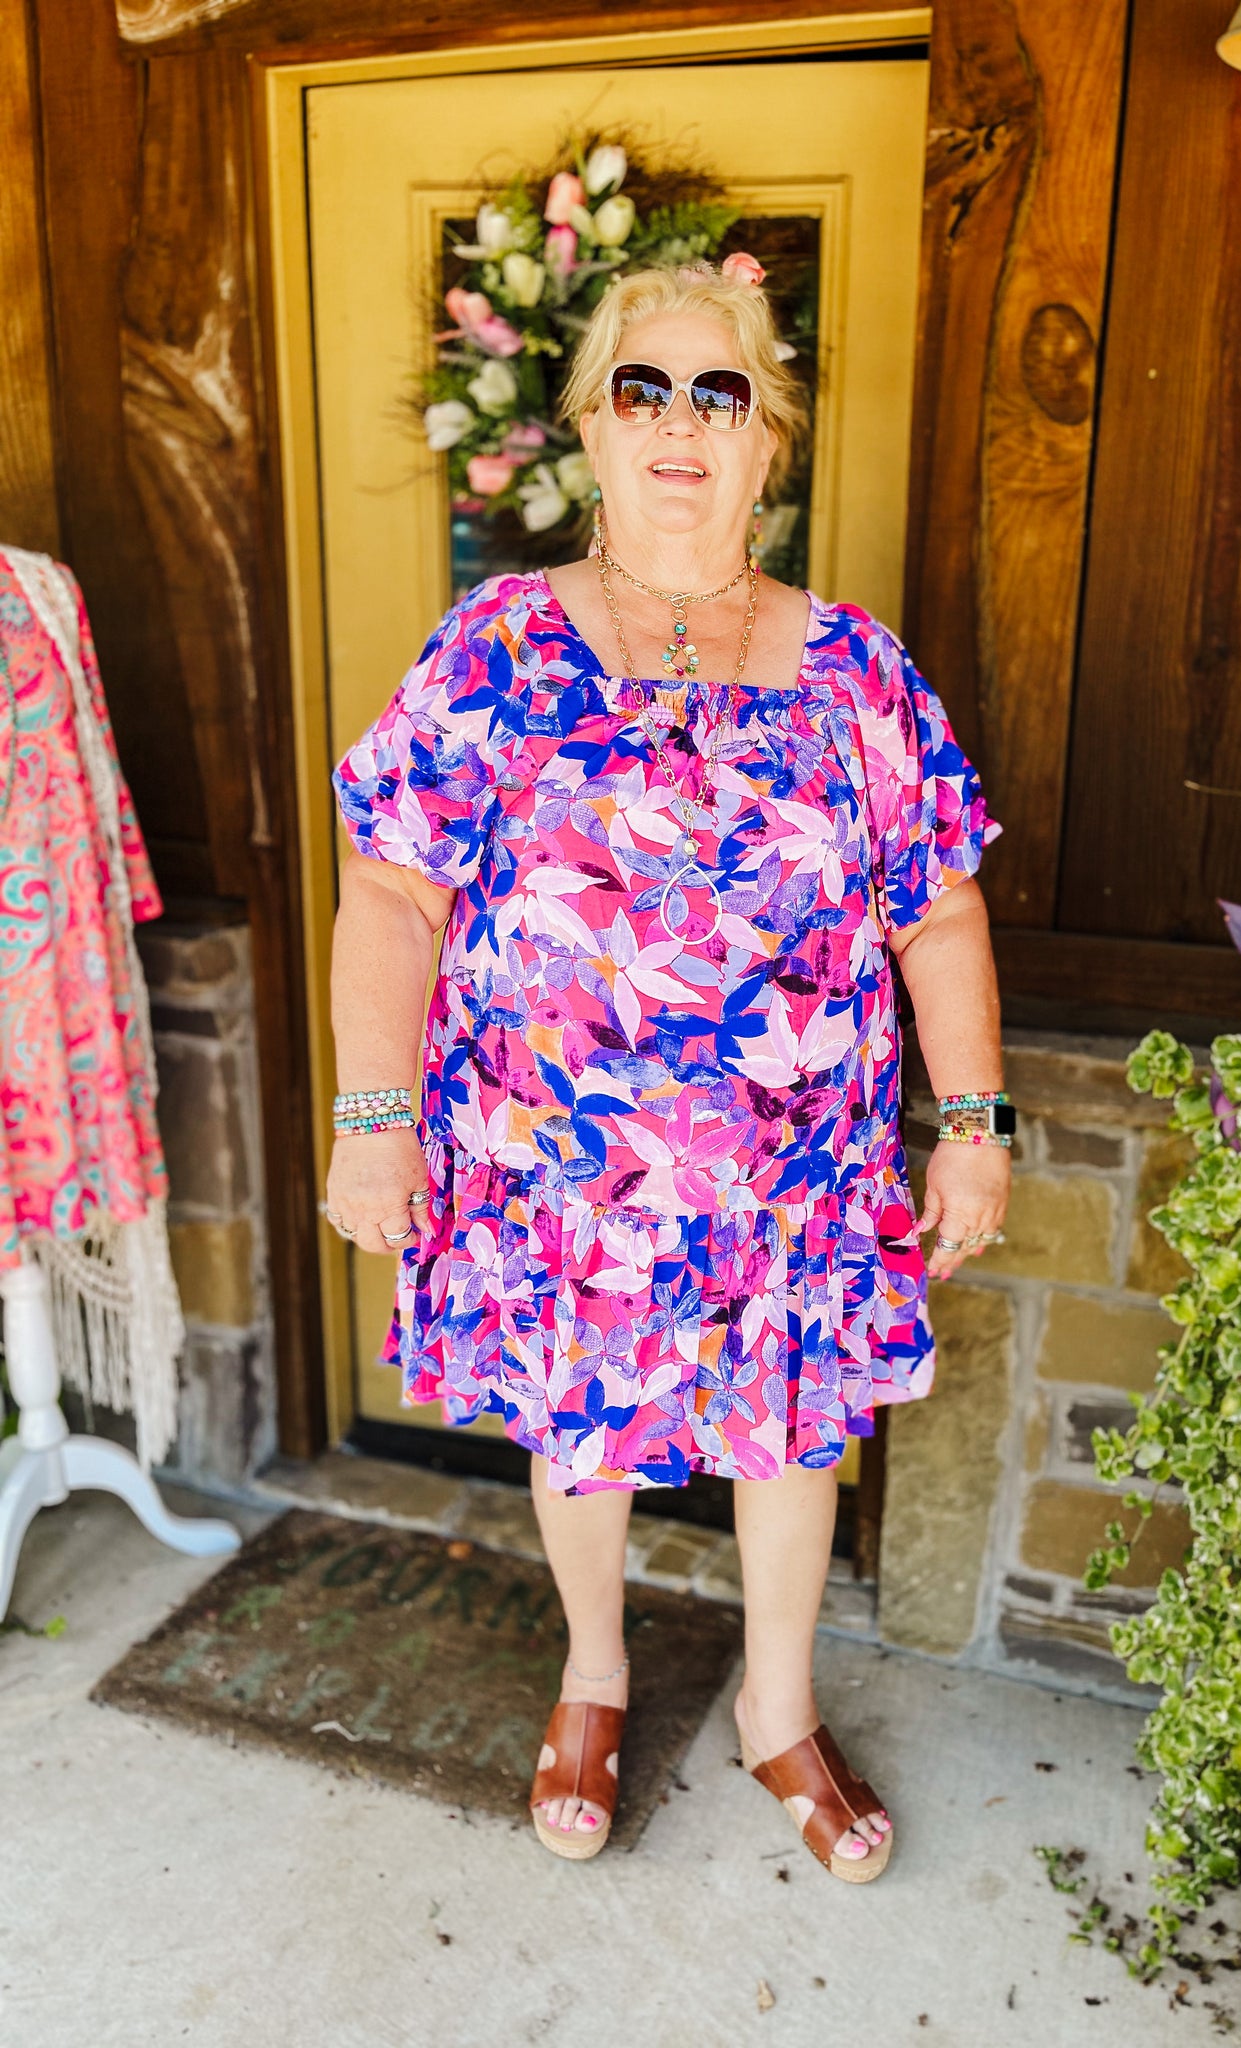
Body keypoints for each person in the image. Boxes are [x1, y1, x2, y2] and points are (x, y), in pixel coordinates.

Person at [325, 261, 1009, 1880]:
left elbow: (940, 907)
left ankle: (779, 1709)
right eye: (644, 388)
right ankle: (596, 1676)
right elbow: (392, 892)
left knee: (792, 1433)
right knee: (579, 1422)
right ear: (591, 430)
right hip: (559, 1164)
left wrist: (974, 1122)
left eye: (722, 392)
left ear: (770, 442)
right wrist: (372, 1116)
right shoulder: (497, 644)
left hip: (796, 1168)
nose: (681, 422)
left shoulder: (855, 668)